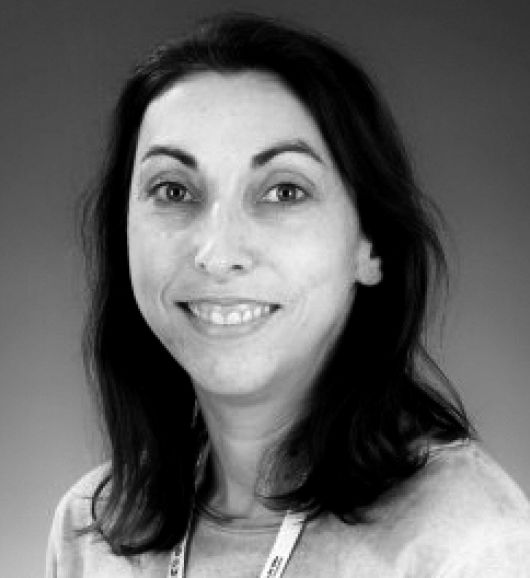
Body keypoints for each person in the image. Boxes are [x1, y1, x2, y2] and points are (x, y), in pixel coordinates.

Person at [46, 12, 530, 577]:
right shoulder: (94, 531)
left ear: (370, 245)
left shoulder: (467, 543)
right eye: (173, 190)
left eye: (283, 191)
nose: (217, 252)